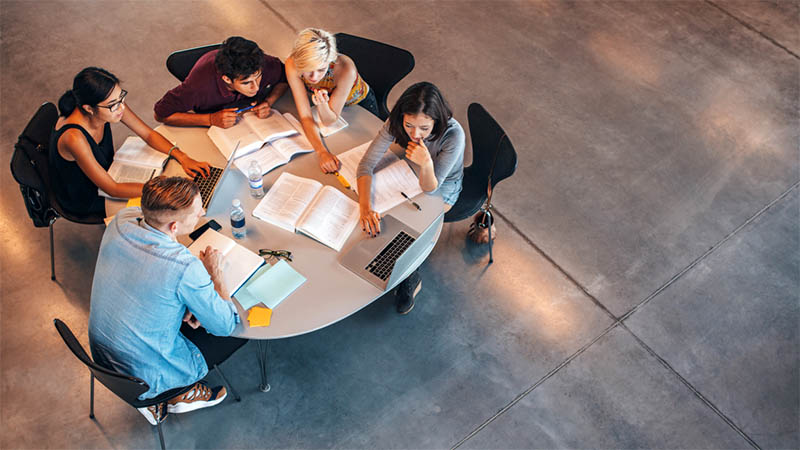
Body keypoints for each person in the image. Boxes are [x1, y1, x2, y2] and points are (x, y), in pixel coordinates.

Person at [89, 176, 247, 425]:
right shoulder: (183, 267)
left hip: (103, 356)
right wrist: (215, 274)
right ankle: (178, 392)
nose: (203, 212)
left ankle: (160, 396)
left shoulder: (122, 219)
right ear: (174, 227)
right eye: (197, 212)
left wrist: (183, 303)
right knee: (240, 333)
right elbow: (225, 325)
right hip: (147, 373)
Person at [356, 82, 465, 314]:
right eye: (409, 126)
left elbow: (431, 188)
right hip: (407, 173)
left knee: (412, 222)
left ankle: (409, 273)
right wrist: (365, 207)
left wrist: (426, 163)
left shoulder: (453, 135)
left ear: (437, 120)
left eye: (424, 128)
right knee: (382, 214)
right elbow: (365, 165)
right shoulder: (396, 123)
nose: (415, 134)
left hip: (442, 186)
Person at [50, 67, 210, 217]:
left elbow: (148, 134)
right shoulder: (74, 138)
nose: (121, 108)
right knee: (162, 210)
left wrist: (182, 157)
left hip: (108, 172)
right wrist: (165, 187)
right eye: (114, 105)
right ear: (89, 109)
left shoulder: (111, 103)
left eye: (121, 98)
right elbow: (111, 189)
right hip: (87, 194)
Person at [285, 28, 380, 173]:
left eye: (321, 69)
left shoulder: (345, 68)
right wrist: (321, 152)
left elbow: (329, 120)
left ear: (330, 60)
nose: (313, 77)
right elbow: (305, 115)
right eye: (308, 69)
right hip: (325, 102)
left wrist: (322, 105)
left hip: (359, 105)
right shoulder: (292, 64)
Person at [154, 36, 288, 128]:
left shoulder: (263, 63)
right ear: (227, 79)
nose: (256, 87)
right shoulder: (198, 87)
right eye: (246, 83)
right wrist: (210, 119)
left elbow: (284, 79)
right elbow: (161, 115)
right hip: (215, 125)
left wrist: (269, 101)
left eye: (258, 77)